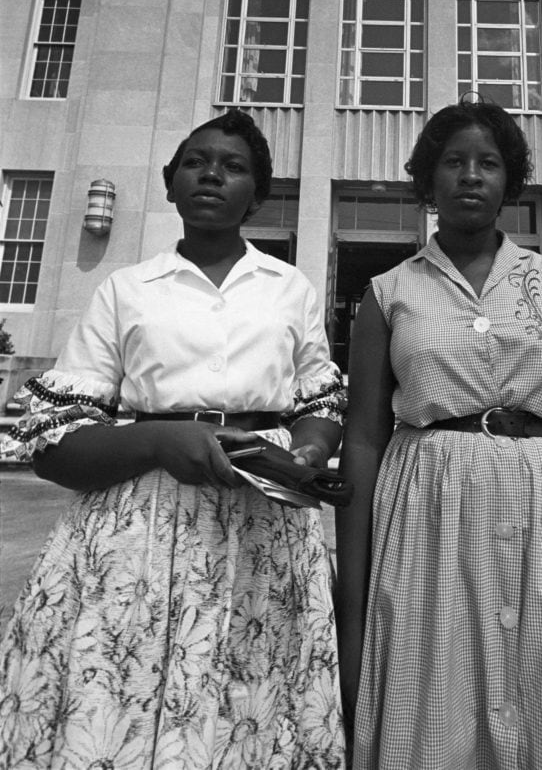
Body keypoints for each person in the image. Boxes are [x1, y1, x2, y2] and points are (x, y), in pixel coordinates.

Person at [0, 109, 346, 770]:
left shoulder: (288, 289)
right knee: (127, 694)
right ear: (170, 184)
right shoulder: (127, 291)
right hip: (141, 528)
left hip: (260, 523)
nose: (212, 174)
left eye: (233, 166)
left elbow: (320, 401)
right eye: (196, 161)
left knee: (251, 700)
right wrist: (159, 442)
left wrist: (302, 456)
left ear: (259, 193)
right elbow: (54, 445)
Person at [336, 100, 542, 770]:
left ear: (510, 183)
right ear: (429, 181)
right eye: (453, 162)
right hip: (429, 521)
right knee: (435, 698)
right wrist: (354, 599)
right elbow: (363, 440)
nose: (471, 176)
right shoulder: (388, 293)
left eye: (488, 163)